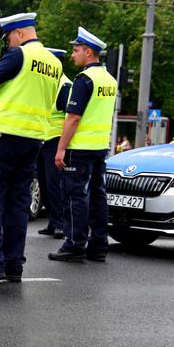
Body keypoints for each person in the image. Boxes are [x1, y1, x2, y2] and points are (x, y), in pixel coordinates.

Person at [0, 12, 62, 282]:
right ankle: (13, 266)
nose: (8, 43)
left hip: (3, 136)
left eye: (8, 37)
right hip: (33, 140)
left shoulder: (19, 56)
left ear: (18, 33)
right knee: (17, 204)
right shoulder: (54, 63)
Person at [49, 27, 117, 263]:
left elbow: (74, 117)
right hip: (100, 147)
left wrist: (61, 148)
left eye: (76, 50)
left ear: (89, 52)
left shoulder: (84, 79)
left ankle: (74, 244)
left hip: (79, 148)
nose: (73, 54)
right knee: (98, 195)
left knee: (74, 196)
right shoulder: (109, 79)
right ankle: (99, 245)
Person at [37, 48, 72, 240]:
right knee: (43, 183)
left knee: (54, 184)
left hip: (55, 140)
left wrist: (64, 146)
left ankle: (60, 224)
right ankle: (52, 222)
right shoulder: (46, 83)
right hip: (40, 139)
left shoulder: (65, 86)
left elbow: (70, 117)